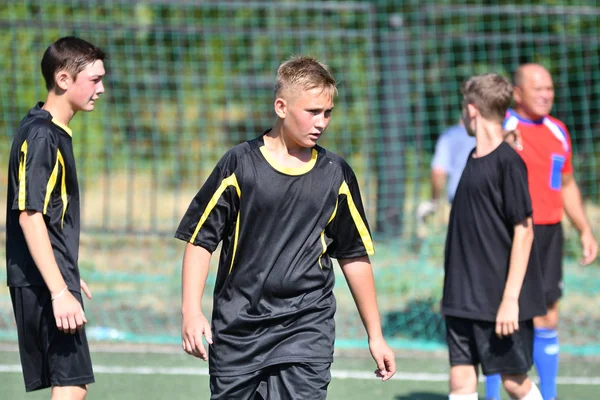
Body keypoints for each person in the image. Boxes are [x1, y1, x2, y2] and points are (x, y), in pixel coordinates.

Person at [175, 55, 396, 399]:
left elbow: (353, 256)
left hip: (306, 325)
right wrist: (191, 310)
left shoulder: (335, 174)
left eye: (327, 113)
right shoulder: (240, 164)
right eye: (312, 112)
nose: (321, 122)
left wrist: (376, 334)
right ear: (281, 107)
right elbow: (200, 241)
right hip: (239, 328)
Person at [485, 63, 599, 400]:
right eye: (538, 89)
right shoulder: (500, 127)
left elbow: (565, 185)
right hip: (508, 234)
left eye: (550, 88)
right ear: (517, 93)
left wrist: (585, 230)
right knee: (501, 318)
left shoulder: (558, 131)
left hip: (548, 235)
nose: (546, 95)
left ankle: (547, 396)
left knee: (548, 317)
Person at [6, 37, 106, 398]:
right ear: (64, 80)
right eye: (94, 80)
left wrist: (67, 271)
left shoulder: (45, 128)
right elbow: (30, 217)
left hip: (48, 274)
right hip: (42, 281)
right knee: (71, 386)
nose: (101, 89)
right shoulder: (43, 135)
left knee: (71, 384)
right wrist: (59, 289)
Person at [442, 73, 546, 400]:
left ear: (472, 110)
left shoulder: (508, 162)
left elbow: (524, 231)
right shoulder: (472, 159)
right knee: (460, 381)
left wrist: (510, 300)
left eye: (463, 107)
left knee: (514, 382)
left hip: (498, 300)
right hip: (462, 296)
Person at [416, 121, 476, 222]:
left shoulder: (449, 135)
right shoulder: (494, 134)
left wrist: (434, 201)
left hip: (460, 199)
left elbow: (438, 171)